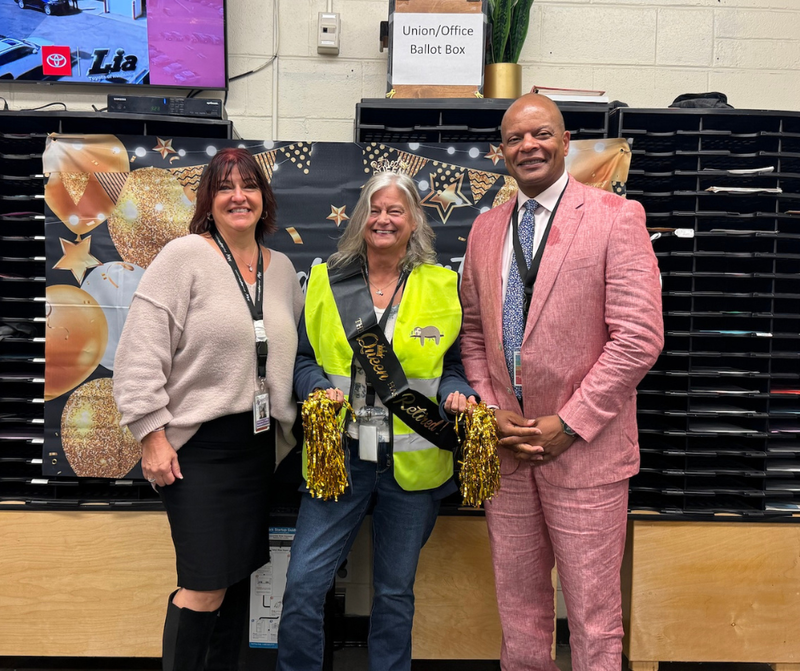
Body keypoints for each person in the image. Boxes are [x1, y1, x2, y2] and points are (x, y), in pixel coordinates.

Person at [459, 94, 664, 671]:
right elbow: (474, 335)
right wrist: (491, 406)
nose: (529, 146)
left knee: (595, 619)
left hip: (587, 456)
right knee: (519, 612)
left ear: (565, 138)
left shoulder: (615, 217)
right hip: (508, 449)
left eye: (540, 133)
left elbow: (639, 339)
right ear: (502, 151)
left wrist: (569, 424)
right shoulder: (483, 230)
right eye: (515, 138)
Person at [276, 171, 478, 671]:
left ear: (414, 222)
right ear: (361, 217)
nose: (383, 219)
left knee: (393, 591)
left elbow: (452, 368)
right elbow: (301, 359)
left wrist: (459, 396)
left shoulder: (442, 284)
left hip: (413, 465)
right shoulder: (325, 279)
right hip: (339, 460)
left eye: (396, 211)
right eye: (375, 208)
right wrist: (314, 387)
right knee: (304, 584)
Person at [113, 148, 303, 671]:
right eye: (225, 187)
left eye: (248, 185)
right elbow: (137, 355)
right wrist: (151, 434)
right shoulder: (185, 256)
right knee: (203, 587)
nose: (238, 196)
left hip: (261, 448)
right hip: (199, 451)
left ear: (264, 198)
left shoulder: (282, 269)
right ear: (209, 201)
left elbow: (294, 352)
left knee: (237, 582)